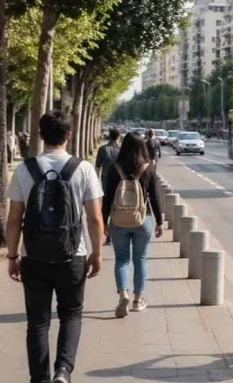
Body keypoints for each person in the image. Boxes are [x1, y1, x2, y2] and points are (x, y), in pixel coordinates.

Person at [5, 110, 104, 383]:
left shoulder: (26, 169)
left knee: (37, 321)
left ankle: (40, 378)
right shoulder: (82, 168)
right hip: (73, 255)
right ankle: (63, 371)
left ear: (40, 135)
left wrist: (13, 255)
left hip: (33, 256)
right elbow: (95, 218)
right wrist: (97, 253)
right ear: (69, 136)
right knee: (71, 314)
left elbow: (14, 219)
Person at [102, 132, 164, 317]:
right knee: (141, 259)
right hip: (143, 219)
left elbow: (107, 198)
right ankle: (138, 300)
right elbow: (154, 197)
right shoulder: (148, 169)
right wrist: (159, 222)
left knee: (121, 260)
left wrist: (104, 221)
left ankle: (123, 293)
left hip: (119, 220)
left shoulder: (115, 168)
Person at [95, 129, 121, 246]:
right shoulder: (120, 151)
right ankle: (117, 234)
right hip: (119, 182)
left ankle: (108, 235)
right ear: (118, 137)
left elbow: (97, 168)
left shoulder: (102, 149)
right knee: (117, 208)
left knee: (107, 207)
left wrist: (95, 182)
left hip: (105, 181)